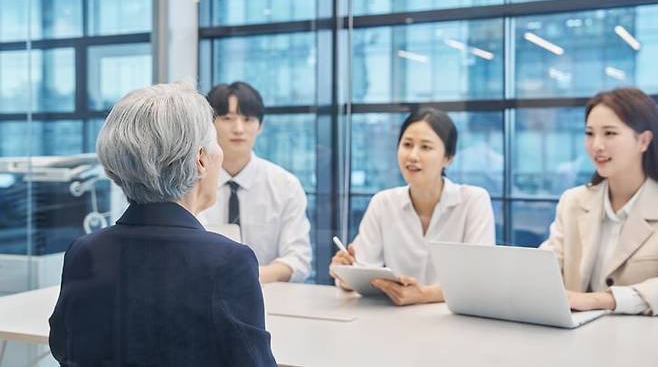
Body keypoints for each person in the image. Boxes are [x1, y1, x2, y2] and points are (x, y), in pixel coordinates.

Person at [49, 82, 276, 366]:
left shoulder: (84, 251)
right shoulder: (229, 260)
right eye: (214, 142)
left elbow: (64, 348)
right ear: (201, 160)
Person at [330, 107, 495, 305]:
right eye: (407, 144)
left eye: (426, 147)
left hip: (454, 321)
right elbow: (363, 270)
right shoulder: (383, 202)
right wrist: (346, 273)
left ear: (448, 158)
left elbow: (480, 281)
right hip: (395, 321)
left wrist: (424, 295)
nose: (413, 156)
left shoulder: (473, 201)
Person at [541, 87, 658, 315]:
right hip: (574, 339)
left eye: (610, 133)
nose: (597, 146)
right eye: (589, 133)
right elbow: (547, 267)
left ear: (644, 141)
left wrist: (601, 300)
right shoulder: (573, 201)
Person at [198, 81, 312, 283]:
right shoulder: (193, 183)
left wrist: (248, 277)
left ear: (260, 126)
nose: (239, 128)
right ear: (210, 125)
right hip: (203, 292)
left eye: (248, 119)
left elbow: (298, 260)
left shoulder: (285, 185)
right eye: (227, 118)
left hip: (269, 297)